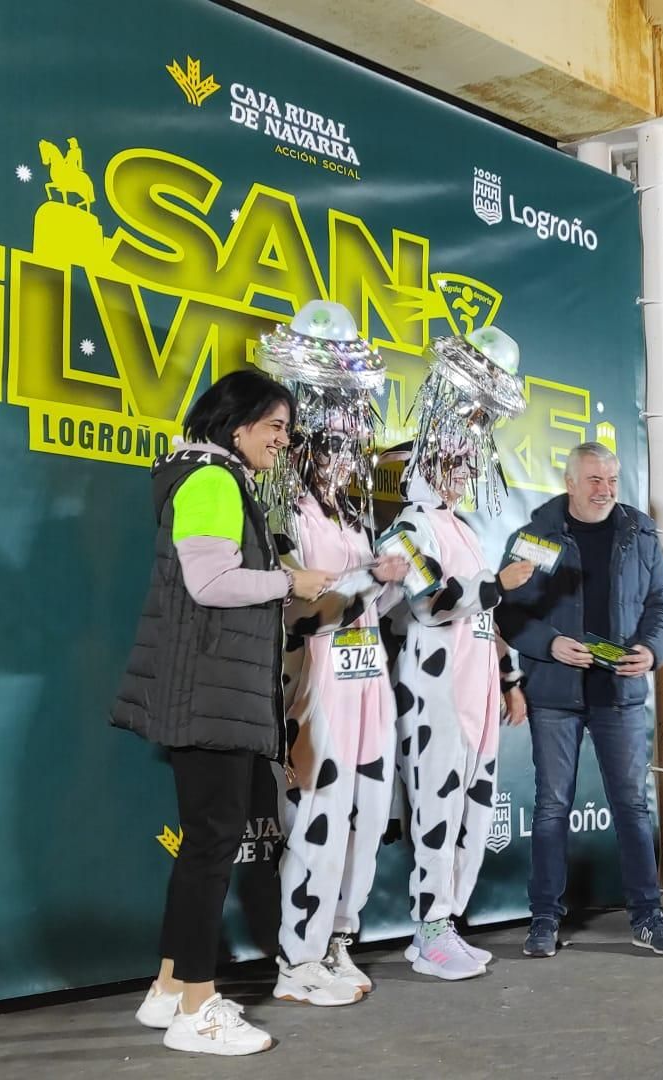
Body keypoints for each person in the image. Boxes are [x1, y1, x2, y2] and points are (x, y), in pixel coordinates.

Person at [111, 369, 334, 1056]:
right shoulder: (211, 480)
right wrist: (290, 581)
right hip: (209, 694)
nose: (283, 440)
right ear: (237, 426)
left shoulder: (216, 477)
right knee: (211, 847)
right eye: (275, 426)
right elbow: (210, 583)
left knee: (204, 845)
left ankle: (171, 988)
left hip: (211, 692)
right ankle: (198, 1009)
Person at [254, 301, 410, 1007]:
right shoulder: (281, 511)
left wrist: (389, 582)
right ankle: (298, 957)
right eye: (334, 446)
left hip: (369, 681)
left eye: (352, 447)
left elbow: (368, 603)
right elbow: (297, 606)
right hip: (313, 684)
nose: (346, 459)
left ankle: (339, 939)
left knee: (368, 818)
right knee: (316, 822)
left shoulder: (351, 514)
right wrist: (365, 582)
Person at [385, 326, 536, 980]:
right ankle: (429, 932)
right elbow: (430, 602)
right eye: (453, 462)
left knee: (473, 812)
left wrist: (510, 678)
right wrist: (496, 585)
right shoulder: (408, 526)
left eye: (468, 462)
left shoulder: (466, 528)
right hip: (434, 692)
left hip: (477, 693)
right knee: (437, 811)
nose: (464, 472)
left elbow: (485, 616)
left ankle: (447, 924)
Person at [499, 441, 663, 958]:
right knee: (552, 807)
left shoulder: (640, 533)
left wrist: (652, 648)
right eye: (594, 480)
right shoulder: (534, 537)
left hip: (619, 693)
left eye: (612, 480)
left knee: (631, 807)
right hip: (555, 695)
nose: (605, 490)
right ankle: (543, 919)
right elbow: (508, 611)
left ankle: (647, 918)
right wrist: (550, 645)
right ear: (570, 484)